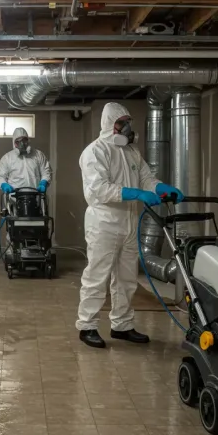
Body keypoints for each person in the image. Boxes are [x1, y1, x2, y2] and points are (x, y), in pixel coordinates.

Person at [76, 102, 183, 349]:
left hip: (129, 222)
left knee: (126, 278)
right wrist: (135, 193)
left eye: (128, 122)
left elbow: (146, 177)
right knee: (97, 275)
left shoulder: (132, 152)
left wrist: (159, 187)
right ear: (110, 124)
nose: (127, 127)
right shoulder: (95, 151)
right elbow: (98, 189)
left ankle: (121, 325)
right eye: (121, 122)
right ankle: (87, 325)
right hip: (103, 222)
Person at [0, 127, 52, 194]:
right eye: (18, 141)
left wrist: (43, 183)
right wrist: (3, 185)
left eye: (24, 140)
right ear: (14, 143)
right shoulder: (7, 158)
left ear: (28, 140)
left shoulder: (38, 155)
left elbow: (46, 172)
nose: (22, 144)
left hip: (36, 195)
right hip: (15, 198)